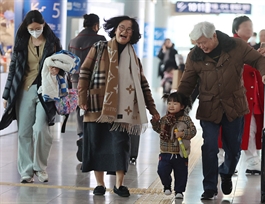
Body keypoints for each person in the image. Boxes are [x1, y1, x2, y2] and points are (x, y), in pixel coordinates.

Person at [177, 21, 265, 200]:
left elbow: (258, 59)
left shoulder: (236, 46)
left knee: (233, 148)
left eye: (204, 42)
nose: (201, 46)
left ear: (214, 36)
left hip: (234, 107)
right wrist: (178, 105)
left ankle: (227, 172)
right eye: (197, 43)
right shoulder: (195, 55)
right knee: (210, 146)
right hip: (209, 108)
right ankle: (210, 187)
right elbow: (187, 83)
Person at [77, 15, 160, 197]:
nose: (124, 31)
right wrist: (82, 97)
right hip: (97, 106)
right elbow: (84, 71)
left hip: (123, 112)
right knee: (96, 143)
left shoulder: (134, 58)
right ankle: (99, 184)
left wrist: (152, 109)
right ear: (114, 29)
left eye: (129, 29)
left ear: (133, 35)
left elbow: (143, 84)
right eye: (121, 27)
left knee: (121, 145)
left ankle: (119, 185)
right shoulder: (99, 48)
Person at [0, 10, 62, 183]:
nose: (35, 31)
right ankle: (26, 171)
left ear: (43, 25)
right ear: (26, 28)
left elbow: (64, 62)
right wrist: (6, 95)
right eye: (32, 28)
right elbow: (13, 70)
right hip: (24, 90)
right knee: (24, 132)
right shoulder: (21, 42)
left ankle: (40, 168)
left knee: (41, 129)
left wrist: (59, 70)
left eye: (38, 27)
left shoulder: (52, 42)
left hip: (45, 90)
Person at [218, 16, 265, 175]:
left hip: (248, 97)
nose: (249, 28)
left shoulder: (248, 47)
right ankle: (222, 161)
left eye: (251, 25)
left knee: (250, 128)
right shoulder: (230, 45)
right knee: (226, 129)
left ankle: (251, 161)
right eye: (245, 26)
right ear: (236, 29)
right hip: (233, 96)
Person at [68, 13, 106, 162]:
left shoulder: (73, 41)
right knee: (96, 107)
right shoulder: (100, 40)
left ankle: (82, 135)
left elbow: (68, 62)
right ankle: (94, 138)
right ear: (96, 25)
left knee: (80, 107)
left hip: (76, 80)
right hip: (95, 79)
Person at [151, 92, 197, 199]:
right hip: (165, 152)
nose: (171, 106)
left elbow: (193, 131)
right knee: (162, 170)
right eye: (169, 103)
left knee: (181, 173)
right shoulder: (164, 119)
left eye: (175, 103)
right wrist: (155, 123)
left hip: (180, 153)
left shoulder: (186, 119)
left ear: (182, 106)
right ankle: (167, 185)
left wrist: (183, 134)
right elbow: (159, 129)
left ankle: (179, 191)